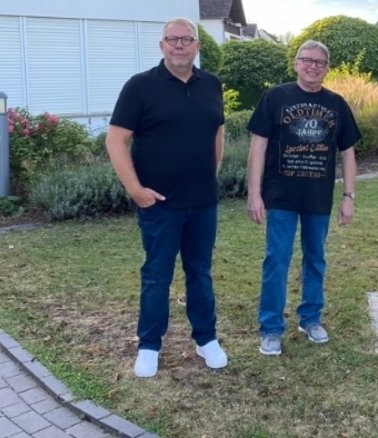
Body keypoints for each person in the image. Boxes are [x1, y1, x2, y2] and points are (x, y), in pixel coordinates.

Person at [106, 17, 227, 378]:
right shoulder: (140, 86)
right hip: (159, 205)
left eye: (186, 39)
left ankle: (206, 338)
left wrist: (211, 174)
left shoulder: (212, 85)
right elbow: (115, 140)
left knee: (200, 273)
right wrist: (135, 190)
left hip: (203, 202)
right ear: (162, 45)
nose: (179, 45)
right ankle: (149, 345)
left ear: (197, 46)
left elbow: (217, 133)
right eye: (172, 39)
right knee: (157, 275)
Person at [246, 40, 361, 356]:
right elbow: (258, 146)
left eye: (320, 62)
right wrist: (254, 194)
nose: (313, 66)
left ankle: (310, 318)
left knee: (316, 259)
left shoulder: (337, 104)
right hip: (280, 196)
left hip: (317, 198)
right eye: (307, 60)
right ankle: (271, 328)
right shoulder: (275, 97)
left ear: (326, 69)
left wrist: (349, 196)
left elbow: (348, 153)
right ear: (296, 63)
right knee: (277, 260)